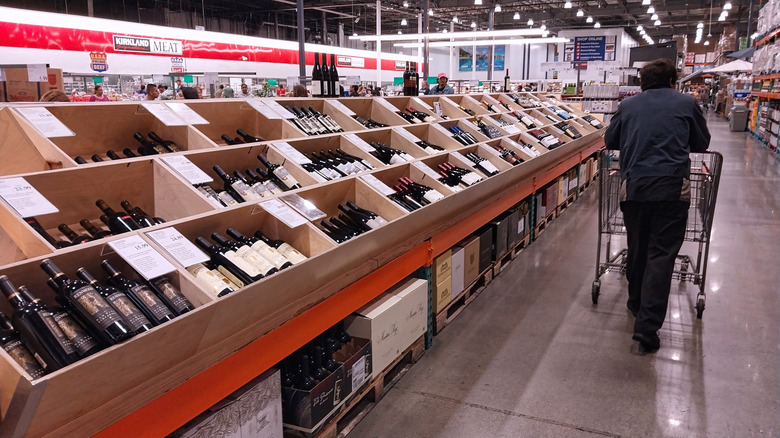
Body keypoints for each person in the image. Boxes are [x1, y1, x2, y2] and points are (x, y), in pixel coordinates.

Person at [604, 58, 710, 354]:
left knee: (637, 247)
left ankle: (636, 302)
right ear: (674, 81)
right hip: (671, 188)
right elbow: (701, 144)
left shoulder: (628, 106)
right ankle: (647, 328)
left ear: (642, 82)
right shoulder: (687, 104)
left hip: (635, 187)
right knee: (661, 255)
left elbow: (610, 139)